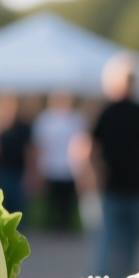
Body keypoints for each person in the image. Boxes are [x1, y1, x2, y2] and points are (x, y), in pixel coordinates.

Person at [86, 57, 139, 278]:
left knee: (108, 239)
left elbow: (91, 150)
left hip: (113, 183)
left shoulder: (106, 112)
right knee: (129, 243)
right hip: (132, 183)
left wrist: (95, 177)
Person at [31, 89, 86, 230]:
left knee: (67, 200)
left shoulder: (76, 119)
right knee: (51, 200)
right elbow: (39, 144)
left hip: (69, 167)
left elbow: (81, 143)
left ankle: (65, 225)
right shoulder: (45, 119)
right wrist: (37, 167)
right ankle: (51, 224)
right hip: (50, 166)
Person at [0, 91, 33, 215]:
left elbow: (29, 151)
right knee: (1, 205)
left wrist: (30, 173)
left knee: (17, 206)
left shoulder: (23, 126)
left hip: (18, 171)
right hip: (1, 170)